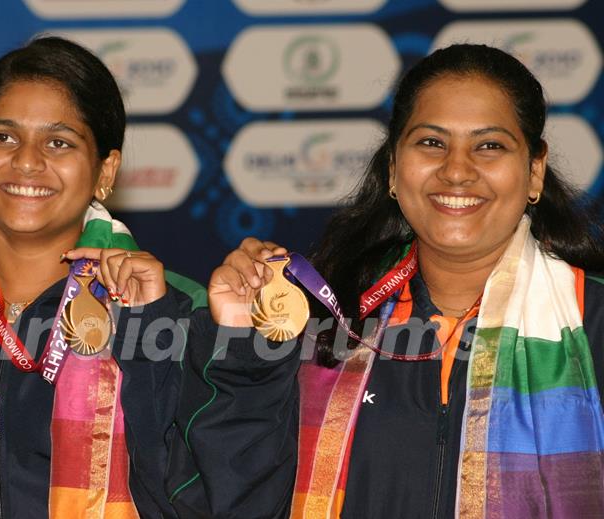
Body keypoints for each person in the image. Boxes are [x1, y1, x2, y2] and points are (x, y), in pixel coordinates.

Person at [181, 44, 604, 518]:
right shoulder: (320, 320)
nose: (458, 170)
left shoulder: (594, 324)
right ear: (392, 171)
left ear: (534, 172)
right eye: (431, 142)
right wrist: (245, 347)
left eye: (490, 145)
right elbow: (239, 504)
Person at [0, 37, 205, 518]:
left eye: (59, 142)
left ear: (105, 169)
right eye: (3, 137)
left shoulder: (175, 313)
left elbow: (214, 493)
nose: (27, 161)